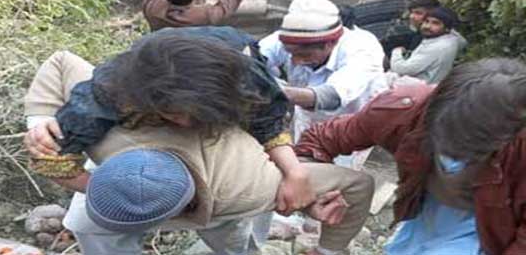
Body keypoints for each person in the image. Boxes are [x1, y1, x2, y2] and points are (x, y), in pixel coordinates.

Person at [24, 31, 375, 255]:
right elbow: (49, 156)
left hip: (230, 184)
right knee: (92, 225)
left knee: (235, 239)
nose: (187, 125)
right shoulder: (103, 95)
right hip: (124, 167)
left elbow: (269, 117)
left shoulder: (246, 79)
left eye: (197, 116)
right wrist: (111, 189)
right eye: (177, 115)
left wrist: (295, 175)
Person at [295, 58, 526, 254]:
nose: (453, 153)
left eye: (469, 149)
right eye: (447, 139)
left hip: (493, 223)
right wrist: (314, 194)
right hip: (425, 212)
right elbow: (320, 140)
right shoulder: (402, 110)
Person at [259, 0, 386, 169]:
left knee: (339, 181)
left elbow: (330, 97)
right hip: (308, 123)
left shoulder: (362, 50)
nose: (295, 61)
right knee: (305, 172)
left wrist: (270, 88)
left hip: (351, 129)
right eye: (290, 54)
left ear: (330, 43)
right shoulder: (289, 39)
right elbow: (254, 58)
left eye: (305, 56)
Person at [390, 6, 467, 84]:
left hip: (419, 91)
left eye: (435, 23)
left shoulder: (436, 47)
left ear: (447, 28)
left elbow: (402, 69)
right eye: (427, 21)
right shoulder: (453, 39)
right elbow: (462, 41)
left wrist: (396, 51)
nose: (427, 26)